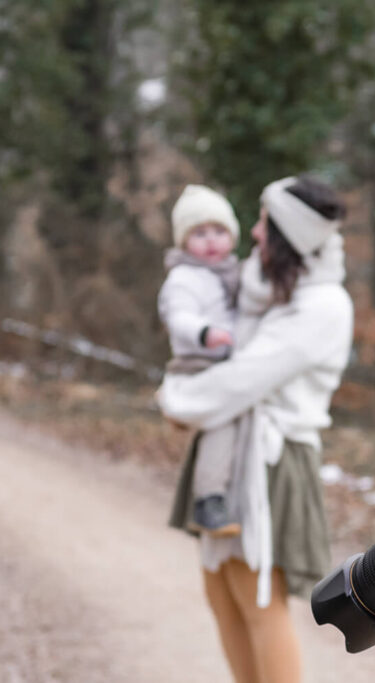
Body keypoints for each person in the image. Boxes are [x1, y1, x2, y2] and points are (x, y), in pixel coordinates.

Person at [157, 176, 353, 683]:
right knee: (221, 596)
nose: (254, 233)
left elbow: (241, 380)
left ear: (289, 235)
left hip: (272, 459)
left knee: (256, 601)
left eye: (265, 223)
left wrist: (174, 398)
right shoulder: (266, 289)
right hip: (233, 447)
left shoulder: (322, 305)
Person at [158, 184, 242, 536]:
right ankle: (208, 499)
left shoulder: (232, 273)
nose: (211, 240)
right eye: (200, 233)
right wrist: (204, 331)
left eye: (219, 231)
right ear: (183, 241)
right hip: (196, 364)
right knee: (222, 422)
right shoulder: (183, 277)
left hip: (225, 362)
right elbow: (177, 316)